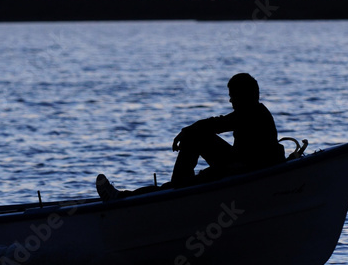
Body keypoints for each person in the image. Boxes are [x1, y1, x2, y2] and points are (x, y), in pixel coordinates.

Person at [96, 73, 285, 200]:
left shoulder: (253, 114)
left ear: (244, 95)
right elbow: (217, 124)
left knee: (193, 143)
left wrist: (188, 132)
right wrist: (189, 131)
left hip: (244, 170)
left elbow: (219, 125)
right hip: (238, 166)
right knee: (195, 138)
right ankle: (176, 187)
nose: (230, 100)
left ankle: (173, 190)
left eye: (233, 96)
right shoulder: (252, 113)